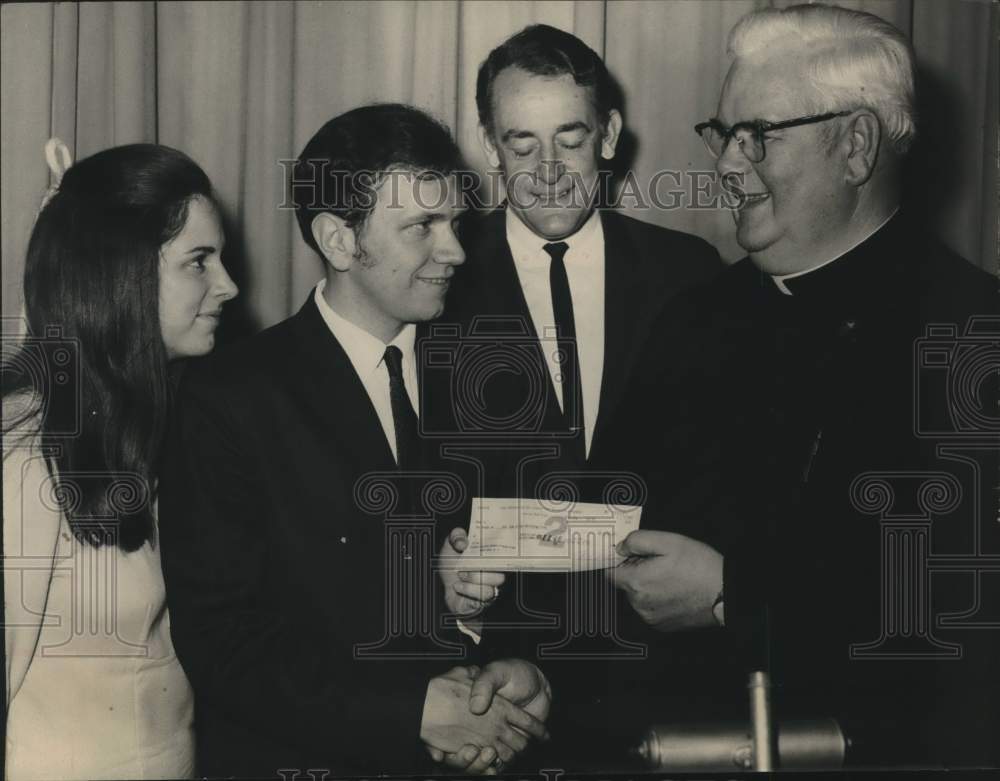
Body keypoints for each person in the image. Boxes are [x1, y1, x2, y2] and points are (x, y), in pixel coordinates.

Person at [614, 3, 999, 767]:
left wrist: (736, 596)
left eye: (759, 135)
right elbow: (613, 511)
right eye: (723, 134)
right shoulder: (691, 318)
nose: (727, 163)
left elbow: (963, 616)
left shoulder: (974, 335)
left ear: (855, 145)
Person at [156, 104, 552, 777]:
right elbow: (224, 643)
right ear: (339, 241)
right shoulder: (230, 398)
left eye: (453, 221)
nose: (455, 249)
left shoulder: (493, 382)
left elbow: (531, 580)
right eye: (421, 226)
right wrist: (410, 712)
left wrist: (522, 671)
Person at [423, 23, 725, 769]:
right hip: (500, 688)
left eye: (571, 137)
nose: (549, 169)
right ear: (489, 147)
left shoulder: (692, 275)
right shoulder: (435, 286)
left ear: (611, 134)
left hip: (667, 678)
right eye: (521, 144)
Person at [2, 141, 239, 779]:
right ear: (122, 274)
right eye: (200, 262)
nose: (229, 286)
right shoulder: (24, 453)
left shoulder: (163, 423)